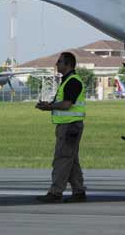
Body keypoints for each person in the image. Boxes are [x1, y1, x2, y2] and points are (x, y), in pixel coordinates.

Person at [35, 52, 87, 203]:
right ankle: (78, 191)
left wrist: (48, 106)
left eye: (59, 62)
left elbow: (66, 104)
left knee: (62, 159)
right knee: (71, 160)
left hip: (70, 126)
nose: (56, 64)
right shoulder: (67, 81)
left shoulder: (72, 81)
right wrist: (49, 106)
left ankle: (56, 192)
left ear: (68, 64)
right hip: (69, 125)